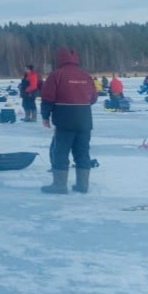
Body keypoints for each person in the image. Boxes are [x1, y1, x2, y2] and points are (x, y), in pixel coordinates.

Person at [40, 47, 98, 194]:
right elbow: (93, 98)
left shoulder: (56, 75)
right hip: (85, 120)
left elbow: (47, 98)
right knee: (82, 152)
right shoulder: (85, 76)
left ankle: (59, 185)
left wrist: (45, 116)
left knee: (60, 151)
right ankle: (82, 185)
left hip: (65, 120)